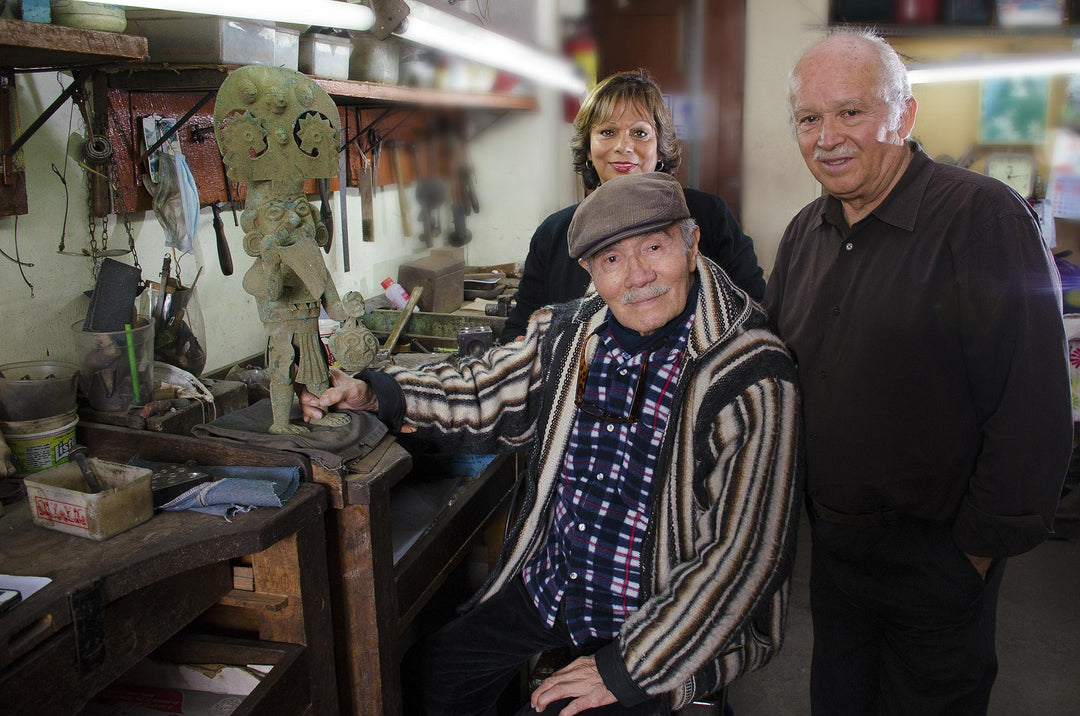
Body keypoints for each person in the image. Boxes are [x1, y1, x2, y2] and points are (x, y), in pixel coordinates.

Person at [301, 172, 803, 714]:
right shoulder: (572, 333)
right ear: (589, 270)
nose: (637, 277)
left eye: (654, 247)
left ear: (691, 242)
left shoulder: (750, 374)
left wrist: (623, 669)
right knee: (436, 676)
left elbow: (742, 557)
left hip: (663, 610)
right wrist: (376, 394)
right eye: (611, 260)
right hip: (560, 581)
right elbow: (482, 389)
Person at [763, 28, 1073, 715]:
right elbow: (770, 363)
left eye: (851, 111)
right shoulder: (804, 234)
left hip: (938, 557)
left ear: (904, 115)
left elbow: (1031, 404)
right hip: (837, 557)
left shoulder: (980, 217)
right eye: (809, 119)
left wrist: (977, 555)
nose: (828, 137)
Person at [501, 69, 765, 343]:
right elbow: (520, 328)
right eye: (607, 132)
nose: (624, 146)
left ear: (660, 148)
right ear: (589, 150)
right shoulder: (553, 234)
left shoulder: (709, 216)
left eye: (640, 133)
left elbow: (754, 308)